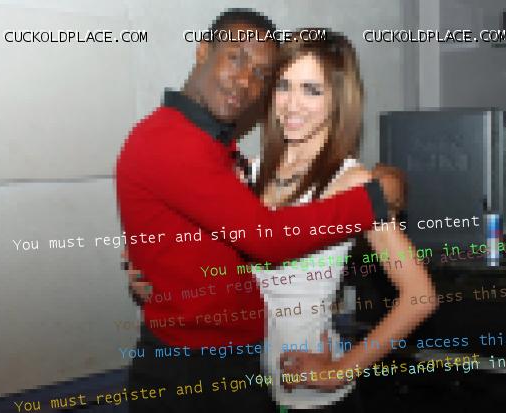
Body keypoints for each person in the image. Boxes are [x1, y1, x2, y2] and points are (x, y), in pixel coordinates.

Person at [116, 9, 390, 413]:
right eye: (236, 57)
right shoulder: (172, 140)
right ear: (203, 51)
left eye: (262, 73)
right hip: (194, 374)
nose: (246, 81)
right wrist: (374, 198)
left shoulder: (226, 153)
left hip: (244, 366)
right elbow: (268, 239)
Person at [249, 30, 436, 411]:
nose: (292, 103)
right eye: (284, 85)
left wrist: (341, 369)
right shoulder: (251, 174)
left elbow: (420, 295)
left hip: (315, 400)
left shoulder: (351, 183)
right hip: (251, 391)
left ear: (338, 99)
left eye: (311, 90)